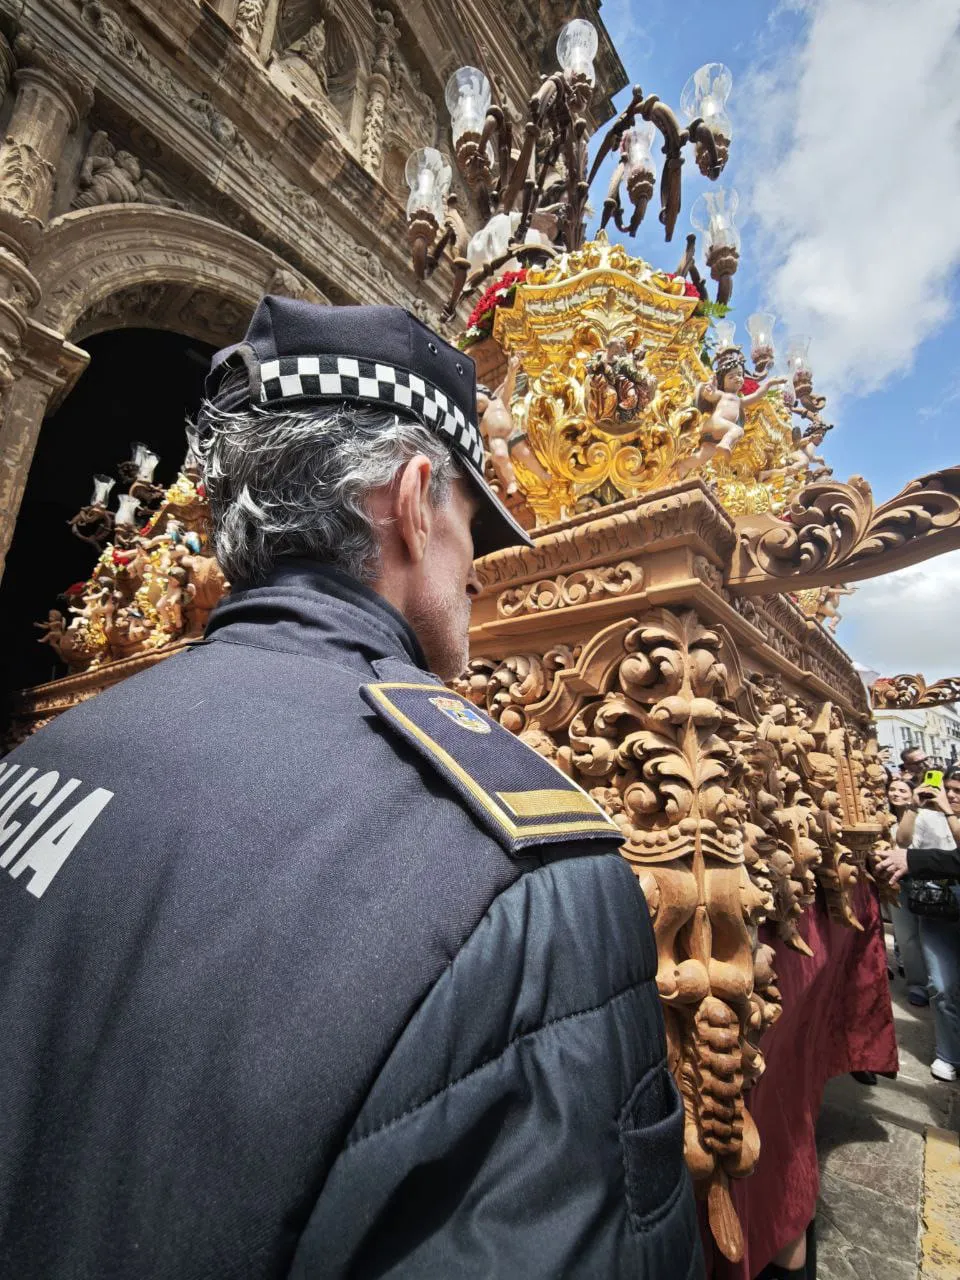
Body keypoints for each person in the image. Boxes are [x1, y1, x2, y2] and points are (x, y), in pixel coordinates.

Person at [0, 298, 700, 1279]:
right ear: (416, 499)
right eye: (470, 523)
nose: (478, 573)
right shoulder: (527, 873)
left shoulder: (40, 756)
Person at [876, 768, 960, 1083]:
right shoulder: (926, 811)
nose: (950, 794)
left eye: (958, 790)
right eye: (948, 788)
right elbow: (903, 840)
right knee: (941, 983)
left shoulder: (948, 813)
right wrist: (913, 805)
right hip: (936, 902)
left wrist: (949, 812)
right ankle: (948, 1053)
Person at [884, 776, 931, 1006]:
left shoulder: (927, 816)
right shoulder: (884, 819)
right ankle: (918, 984)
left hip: (927, 882)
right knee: (906, 936)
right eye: (892, 789)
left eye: (902, 790)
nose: (896, 794)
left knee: (932, 933)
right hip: (899, 884)